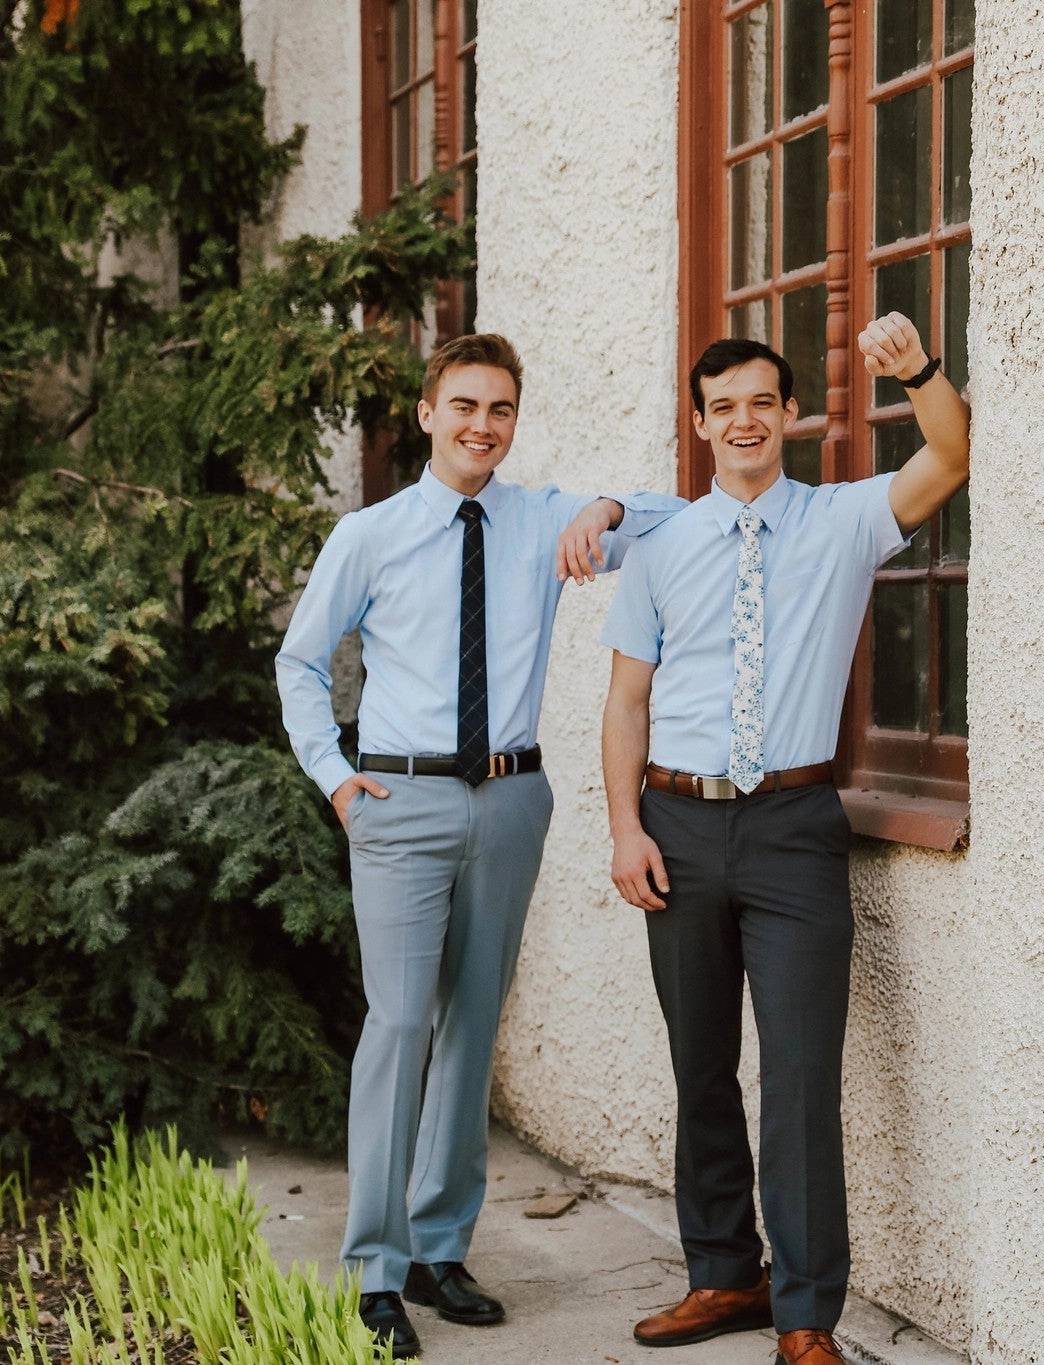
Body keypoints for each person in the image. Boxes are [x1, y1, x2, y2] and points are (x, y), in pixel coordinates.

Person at [276, 332, 683, 1360]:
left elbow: (684, 522)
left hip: (508, 801)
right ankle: (374, 1268)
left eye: (499, 409)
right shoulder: (368, 536)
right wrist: (336, 781)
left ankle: (438, 1249)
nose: (481, 426)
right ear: (425, 414)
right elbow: (299, 662)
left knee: (471, 1030)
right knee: (400, 1025)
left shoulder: (542, 519)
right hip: (400, 804)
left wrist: (610, 510)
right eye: (462, 405)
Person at [597, 315, 970, 1365]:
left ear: (789, 414)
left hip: (794, 827)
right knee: (699, 1064)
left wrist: (918, 373)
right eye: (724, 407)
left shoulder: (841, 521)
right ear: (701, 425)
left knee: (801, 1075)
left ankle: (805, 1316)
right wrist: (624, 829)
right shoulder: (660, 550)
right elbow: (625, 703)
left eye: (762, 401)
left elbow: (949, 454)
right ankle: (722, 1277)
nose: (744, 420)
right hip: (673, 822)